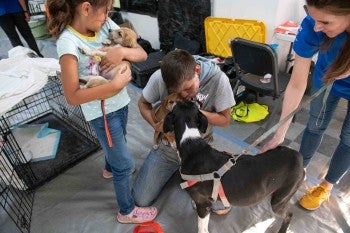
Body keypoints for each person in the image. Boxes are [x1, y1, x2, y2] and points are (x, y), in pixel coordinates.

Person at [46, 0, 157, 223]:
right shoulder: (68, 43)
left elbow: (142, 54)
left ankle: (109, 168)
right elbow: (72, 95)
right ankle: (126, 211)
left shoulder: (104, 25)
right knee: (124, 163)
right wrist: (113, 86)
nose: (108, 16)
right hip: (102, 112)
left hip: (121, 102)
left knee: (119, 140)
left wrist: (121, 52)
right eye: (106, 10)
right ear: (86, 8)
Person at [260, 0, 350, 210]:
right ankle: (300, 169)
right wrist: (279, 134)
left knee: (348, 139)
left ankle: (326, 186)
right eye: (313, 17)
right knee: (315, 126)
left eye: (325, 22)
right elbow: (297, 84)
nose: (317, 26)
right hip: (327, 79)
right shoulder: (312, 25)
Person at [133, 49, 235, 214]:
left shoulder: (218, 79)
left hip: (199, 149)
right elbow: (142, 103)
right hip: (169, 147)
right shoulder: (160, 77)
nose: (183, 95)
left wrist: (194, 112)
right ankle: (176, 168)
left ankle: (185, 172)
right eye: (177, 92)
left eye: (187, 89)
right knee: (140, 200)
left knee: (220, 207)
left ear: (196, 70)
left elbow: (225, 120)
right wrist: (155, 125)